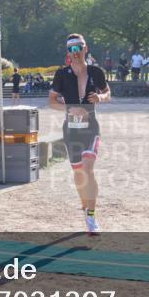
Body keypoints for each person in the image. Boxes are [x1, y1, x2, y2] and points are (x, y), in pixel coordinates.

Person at [49, 33, 111, 235]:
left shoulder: (96, 72)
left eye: (79, 47)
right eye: (71, 49)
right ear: (68, 52)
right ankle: (85, 207)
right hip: (71, 131)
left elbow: (107, 93)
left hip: (91, 128)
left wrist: (100, 97)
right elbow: (52, 102)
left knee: (88, 169)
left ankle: (92, 217)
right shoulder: (61, 74)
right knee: (78, 173)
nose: (75, 52)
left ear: (86, 48)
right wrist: (68, 109)